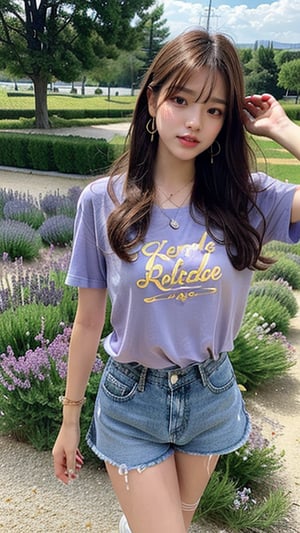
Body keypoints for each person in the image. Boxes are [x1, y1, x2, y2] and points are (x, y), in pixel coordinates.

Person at [52, 28, 300, 533]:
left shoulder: (245, 198)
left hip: (210, 395)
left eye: (214, 110)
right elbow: (88, 319)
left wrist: (282, 128)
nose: (194, 122)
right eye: (181, 100)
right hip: (131, 399)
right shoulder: (103, 201)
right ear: (151, 99)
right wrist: (70, 418)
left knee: (172, 523)